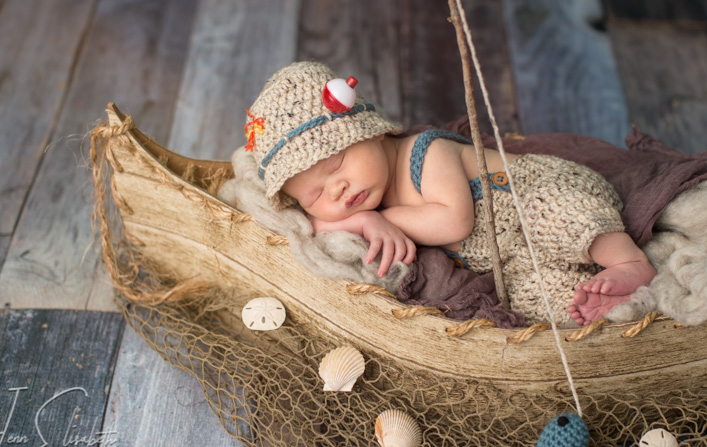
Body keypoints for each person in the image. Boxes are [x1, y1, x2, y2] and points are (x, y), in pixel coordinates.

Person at [245, 62, 655, 326]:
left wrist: (379, 219)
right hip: (510, 258)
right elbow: (313, 226)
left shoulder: (425, 153)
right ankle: (606, 300)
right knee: (534, 299)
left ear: (371, 131)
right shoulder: (372, 201)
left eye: (337, 165)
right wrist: (360, 218)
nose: (338, 189)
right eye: (316, 193)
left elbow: (455, 220)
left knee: (559, 218)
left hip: (541, 194)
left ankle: (628, 261)